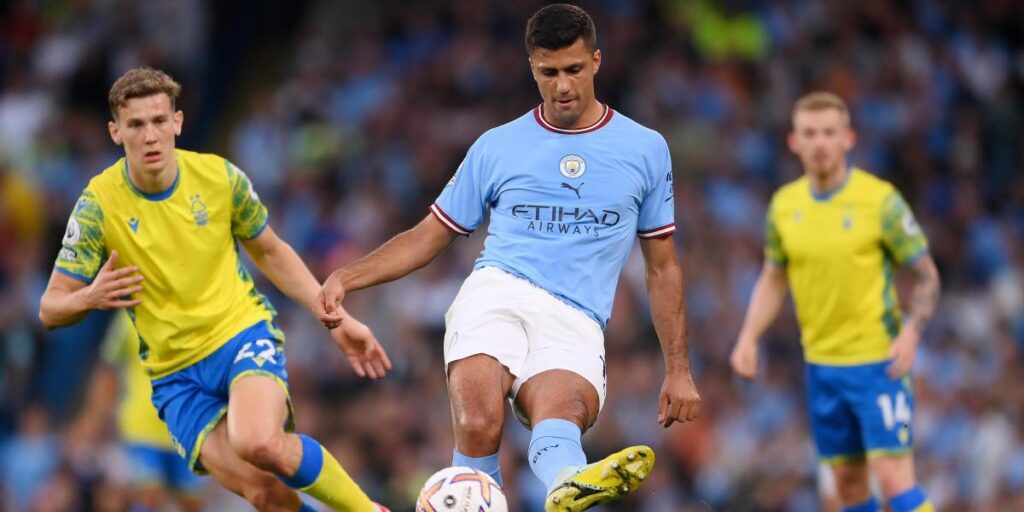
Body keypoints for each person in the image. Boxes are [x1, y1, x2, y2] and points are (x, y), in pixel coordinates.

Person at [315, 4, 701, 511]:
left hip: (578, 316)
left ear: (597, 61)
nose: (563, 86)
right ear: (532, 68)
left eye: (574, 69)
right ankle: (562, 482)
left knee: (560, 415)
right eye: (549, 72)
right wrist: (348, 276)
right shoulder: (497, 147)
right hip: (498, 292)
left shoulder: (645, 149)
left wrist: (678, 369)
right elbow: (430, 236)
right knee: (478, 421)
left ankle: (567, 484)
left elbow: (663, 265)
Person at [38, 67, 392, 512]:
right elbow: (51, 308)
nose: (150, 136)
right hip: (175, 377)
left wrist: (335, 320)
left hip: (239, 335)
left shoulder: (219, 178)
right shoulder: (97, 206)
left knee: (258, 441)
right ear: (116, 131)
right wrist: (88, 297)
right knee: (264, 493)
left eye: (159, 121)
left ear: (177, 122)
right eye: (136, 124)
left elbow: (270, 251)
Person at [730, 92, 940, 512]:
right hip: (822, 367)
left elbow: (927, 276)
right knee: (847, 484)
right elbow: (773, 276)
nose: (820, 142)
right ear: (794, 142)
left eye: (829, 132)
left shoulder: (880, 200)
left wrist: (912, 333)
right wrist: (748, 336)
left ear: (848, 138)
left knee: (893, 478)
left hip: (878, 361)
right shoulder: (784, 206)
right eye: (810, 133)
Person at [69, 311, 207, 512]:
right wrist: (92, 417)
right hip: (141, 427)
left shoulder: (191, 313)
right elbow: (108, 368)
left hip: (185, 428)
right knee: (148, 495)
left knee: (191, 502)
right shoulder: (128, 317)